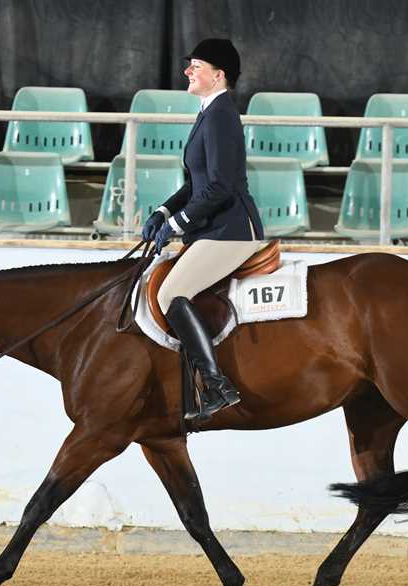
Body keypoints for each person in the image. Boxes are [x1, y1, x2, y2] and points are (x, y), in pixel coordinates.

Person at [141, 38, 266, 423]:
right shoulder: (209, 112)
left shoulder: (222, 115)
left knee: (170, 293)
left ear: (218, 74)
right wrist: (163, 212)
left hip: (232, 230)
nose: (187, 72)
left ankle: (216, 385)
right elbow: (197, 182)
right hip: (213, 227)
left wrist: (177, 224)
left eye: (196, 66)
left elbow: (221, 187)